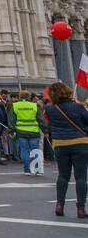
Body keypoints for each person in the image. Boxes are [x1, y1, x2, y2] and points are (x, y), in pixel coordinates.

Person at [44, 82, 88, 217]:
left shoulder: (50, 108)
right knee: (81, 177)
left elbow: (49, 123)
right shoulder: (78, 106)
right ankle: (80, 209)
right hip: (80, 143)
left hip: (59, 144)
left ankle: (59, 206)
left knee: (63, 176)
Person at [8, 91, 47, 175]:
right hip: (34, 132)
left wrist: (11, 131)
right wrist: (45, 130)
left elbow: (11, 120)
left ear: (19, 97)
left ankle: (27, 170)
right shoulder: (34, 105)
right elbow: (41, 119)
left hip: (21, 132)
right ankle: (37, 170)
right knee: (35, 151)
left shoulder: (15, 106)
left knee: (24, 151)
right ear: (29, 97)